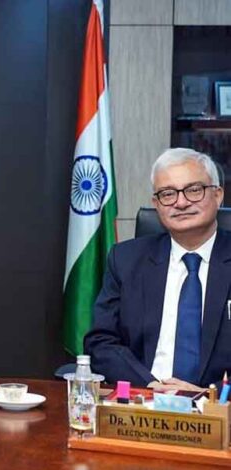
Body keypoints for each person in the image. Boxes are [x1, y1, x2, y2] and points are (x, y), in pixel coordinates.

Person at [85, 148, 231, 391]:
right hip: (143, 399)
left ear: (217, 195)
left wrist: (210, 395)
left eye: (194, 190)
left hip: (219, 405)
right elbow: (101, 341)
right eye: (168, 194)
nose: (181, 202)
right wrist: (150, 386)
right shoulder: (126, 260)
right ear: (156, 204)